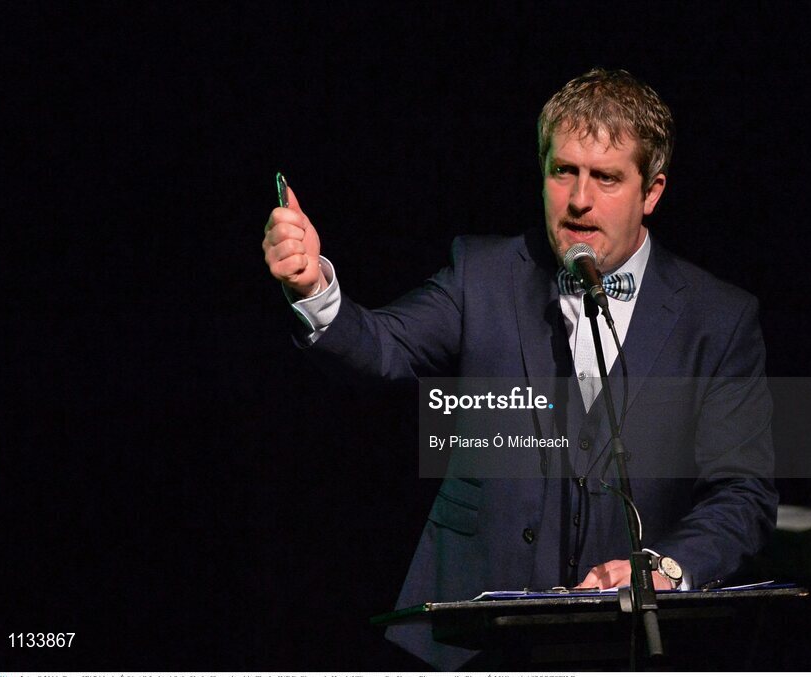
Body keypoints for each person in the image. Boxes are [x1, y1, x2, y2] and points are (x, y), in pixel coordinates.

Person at [262, 68, 777, 668]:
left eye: (606, 178)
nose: (579, 200)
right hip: (471, 645)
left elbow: (742, 493)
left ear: (652, 191)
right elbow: (381, 345)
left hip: (624, 649)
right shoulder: (484, 275)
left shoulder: (717, 318)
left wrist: (665, 567)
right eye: (564, 171)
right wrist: (313, 288)